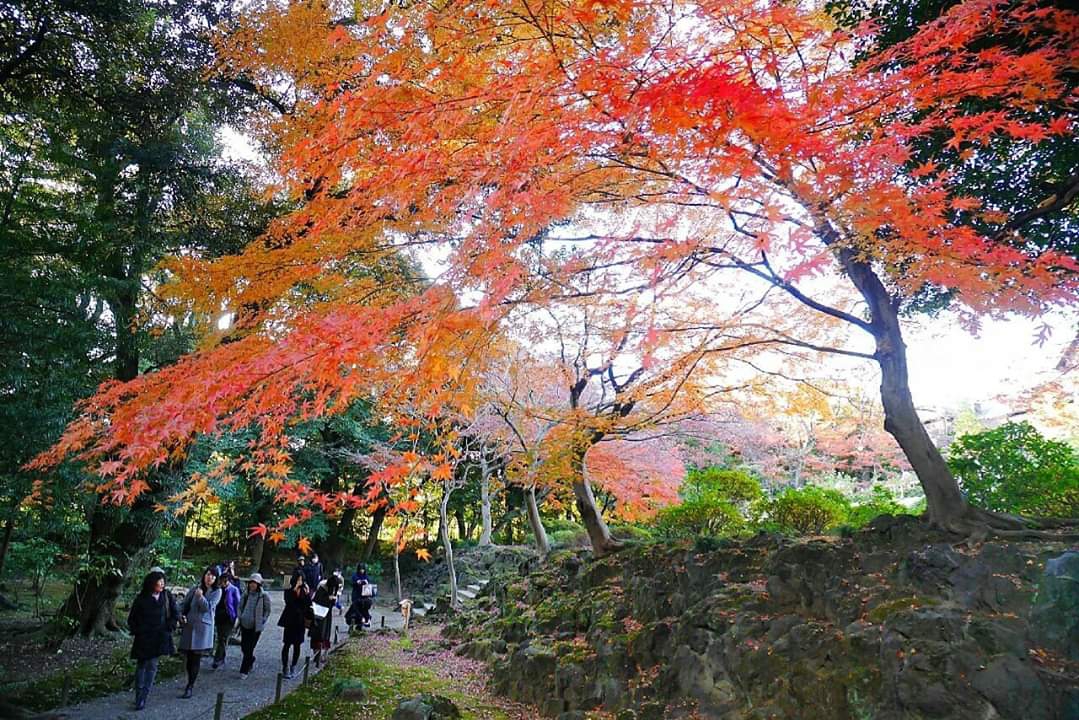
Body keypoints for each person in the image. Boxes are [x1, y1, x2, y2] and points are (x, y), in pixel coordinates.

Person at [127, 570, 178, 711]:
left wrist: (169, 627)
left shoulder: (166, 596)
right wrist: (139, 630)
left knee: (152, 666)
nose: (162, 585)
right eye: (159, 582)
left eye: (163, 582)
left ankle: (144, 695)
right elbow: (132, 619)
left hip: (159, 637)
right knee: (141, 666)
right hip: (143, 638)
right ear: (151, 583)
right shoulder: (141, 599)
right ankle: (138, 694)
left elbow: (175, 613)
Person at [178, 566, 222, 699]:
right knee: (188, 657)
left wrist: (200, 597)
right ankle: (189, 680)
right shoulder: (195, 588)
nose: (210, 578)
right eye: (208, 575)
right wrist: (180, 615)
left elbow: (207, 607)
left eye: (213, 576)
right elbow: (184, 604)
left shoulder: (217, 591)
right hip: (189, 625)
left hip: (203, 628)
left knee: (196, 657)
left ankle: (190, 685)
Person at [236, 573, 272, 678]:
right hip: (244, 624)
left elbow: (267, 610)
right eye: (251, 583)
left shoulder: (263, 596)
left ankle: (244, 670)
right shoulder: (245, 594)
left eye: (255, 583)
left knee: (249, 648)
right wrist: (240, 616)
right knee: (244, 646)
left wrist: (262, 620)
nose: (252, 585)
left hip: (256, 627)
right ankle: (250, 660)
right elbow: (240, 606)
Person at [278, 574, 311, 679]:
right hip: (290, 620)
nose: (300, 581)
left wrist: (307, 594)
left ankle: (293, 665)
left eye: (301, 579)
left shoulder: (304, 590)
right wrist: (295, 588)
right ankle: (285, 667)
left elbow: (308, 604)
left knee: (297, 645)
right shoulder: (289, 588)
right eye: (298, 579)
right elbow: (288, 601)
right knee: (287, 644)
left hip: (300, 622)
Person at [309, 573, 342, 667]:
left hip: (327, 614)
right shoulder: (322, 587)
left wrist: (333, 600)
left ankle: (323, 654)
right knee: (317, 634)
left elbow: (333, 602)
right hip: (319, 615)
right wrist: (328, 598)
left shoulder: (334, 588)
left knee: (326, 635)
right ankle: (316, 654)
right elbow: (316, 601)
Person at [212, 571, 241, 669]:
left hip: (229, 618)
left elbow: (238, 604)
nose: (222, 583)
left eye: (224, 581)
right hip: (219, 617)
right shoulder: (219, 589)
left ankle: (217, 659)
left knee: (223, 638)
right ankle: (221, 657)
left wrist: (237, 618)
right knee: (221, 638)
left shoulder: (234, 590)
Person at [347, 563, 374, 628]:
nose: (362, 571)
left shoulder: (366, 576)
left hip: (364, 596)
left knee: (363, 608)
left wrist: (366, 582)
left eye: (363, 569)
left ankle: (364, 621)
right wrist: (357, 582)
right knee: (355, 608)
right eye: (361, 569)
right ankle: (358, 620)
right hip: (356, 595)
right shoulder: (355, 575)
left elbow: (369, 585)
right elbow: (351, 583)